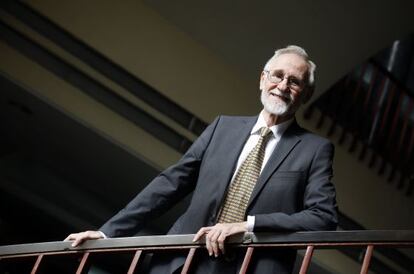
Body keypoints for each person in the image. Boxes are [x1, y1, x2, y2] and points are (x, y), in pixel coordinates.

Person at [65, 45, 338, 273]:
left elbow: (323, 217)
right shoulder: (223, 127)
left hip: (249, 267)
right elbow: (170, 184)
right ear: (262, 79)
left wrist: (249, 226)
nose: (282, 86)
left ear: (306, 94)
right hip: (181, 262)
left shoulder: (314, 149)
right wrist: (107, 233)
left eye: (294, 81)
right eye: (277, 75)